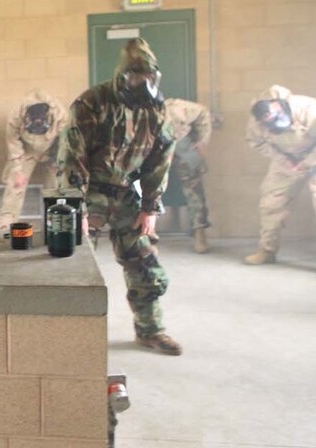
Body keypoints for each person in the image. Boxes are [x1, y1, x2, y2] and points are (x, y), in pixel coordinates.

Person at [58, 38, 182, 356]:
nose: (143, 83)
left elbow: (161, 159)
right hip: (90, 192)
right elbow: (72, 155)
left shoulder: (157, 110)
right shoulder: (92, 102)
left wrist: (150, 207)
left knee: (144, 262)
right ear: (123, 75)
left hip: (128, 193)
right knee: (74, 264)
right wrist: (74, 208)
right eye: (136, 77)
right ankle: (69, 337)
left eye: (149, 77)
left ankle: (150, 330)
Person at [245, 85, 316, 279]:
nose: (268, 122)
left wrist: (308, 163)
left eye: (271, 117)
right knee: (271, 202)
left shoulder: (309, 109)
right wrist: (283, 159)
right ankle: (267, 250)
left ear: (279, 105)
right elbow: (257, 142)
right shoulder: (257, 122)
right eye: (264, 120)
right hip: (288, 158)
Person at [0, 89, 66, 229]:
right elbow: (13, 143)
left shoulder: (60, 115)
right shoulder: (15, 117)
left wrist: (60, 162)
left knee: (57, 184)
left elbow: (65, 141)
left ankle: (57, 223)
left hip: (53, 150)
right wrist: (17, 170)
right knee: (15, 182)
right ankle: (7, 221)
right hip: (26, 151)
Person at [163, 98, 213, 253]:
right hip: (154, 148)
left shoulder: (176, 108)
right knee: (144, 187)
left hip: (182, 144)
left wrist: (202, 141)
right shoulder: (131, 115)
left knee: (193, 189)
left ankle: (199, 232)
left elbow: (203, 112)